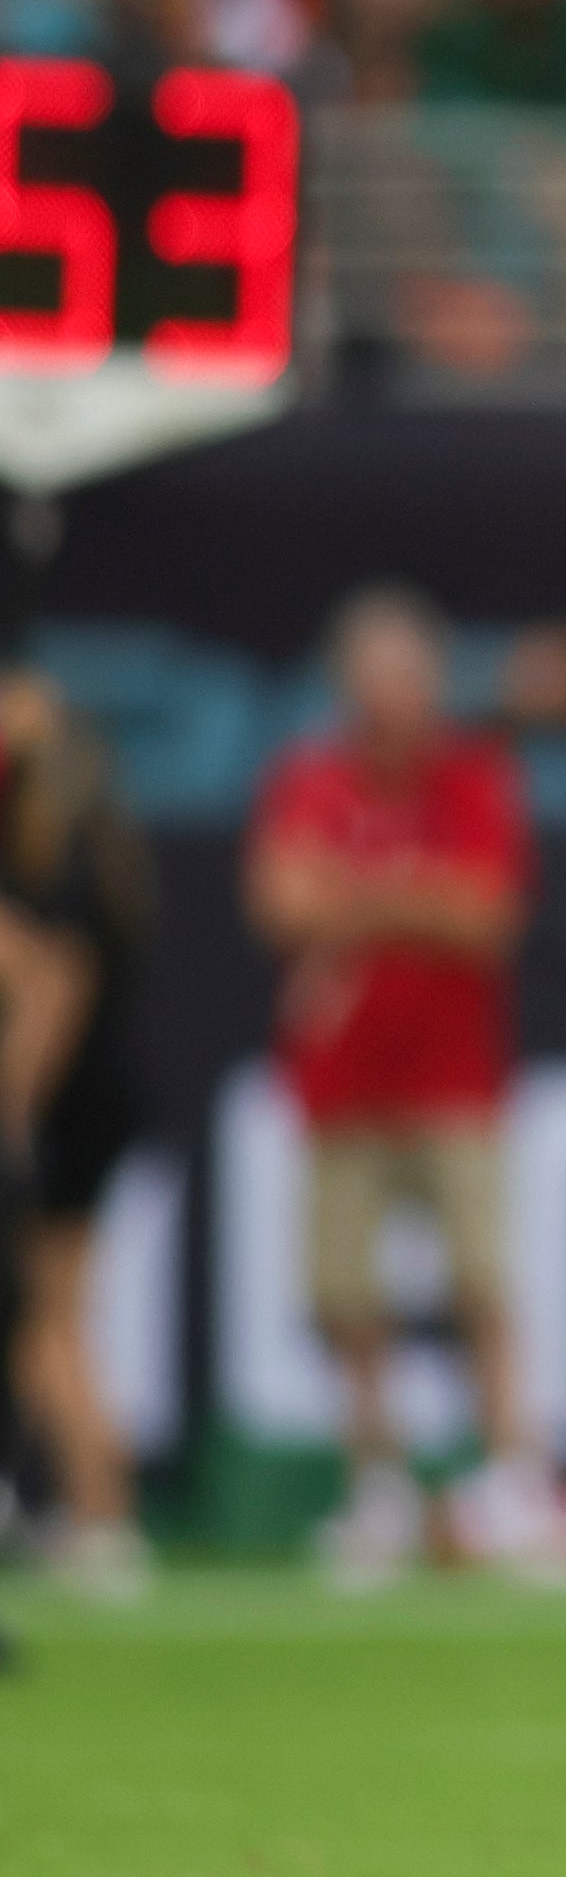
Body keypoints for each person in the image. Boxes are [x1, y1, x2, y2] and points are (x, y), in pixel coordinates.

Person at [245, 589, 548, 1588]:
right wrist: (414, 895)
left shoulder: (470, 777)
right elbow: (282, 903)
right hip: (341, 1079)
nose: (393, 699)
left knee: (480, 1283)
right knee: (346, 1297)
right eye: (376, 678)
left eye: (409, 676)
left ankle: (511, 1479)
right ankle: (378, 1484)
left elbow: (487, 914)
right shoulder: (312, 779)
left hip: (452, 1077)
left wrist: (359, 895)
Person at [0, 667, 154, 1599]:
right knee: (60, 1313)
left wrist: (12, 1110)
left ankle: (100, 1509)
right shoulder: (106, 846)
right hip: (100, 1098)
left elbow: (54, 989)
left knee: (41, 1317)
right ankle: (98, 1506)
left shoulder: (52, 862)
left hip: (66, 1107)